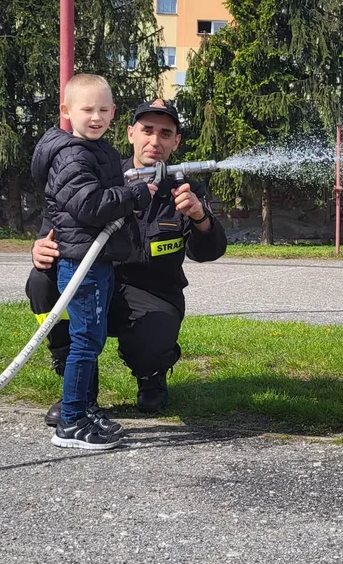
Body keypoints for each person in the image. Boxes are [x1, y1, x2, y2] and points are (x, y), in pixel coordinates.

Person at [26, 98, 227, 424]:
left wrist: (200, 216)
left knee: (151, 337)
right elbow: (61, 219)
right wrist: (40, 246)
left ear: (175, 142)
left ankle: (151, 376)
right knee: (41, 282)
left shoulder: (186, 188)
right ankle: (78, 389)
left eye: (165, 133)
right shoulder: (101, 174)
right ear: (131, 133)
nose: (155, 140)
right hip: (98, 283)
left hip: (154, 294)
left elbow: (208, 251)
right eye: (147, 130)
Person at [32, 74, 154, 450]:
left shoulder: (93, 148)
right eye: (87, 109)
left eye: (103, 109)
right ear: (67, 111)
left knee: (91, 339)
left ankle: (84, 410)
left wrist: (129, 186)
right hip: (81, 262)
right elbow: (88, 206)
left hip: (96, 259)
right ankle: (71, 421)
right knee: (85, 342)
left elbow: (100, 190)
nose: (96, 116)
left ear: (114, 112)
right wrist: (132, 194)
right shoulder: (72, 154)